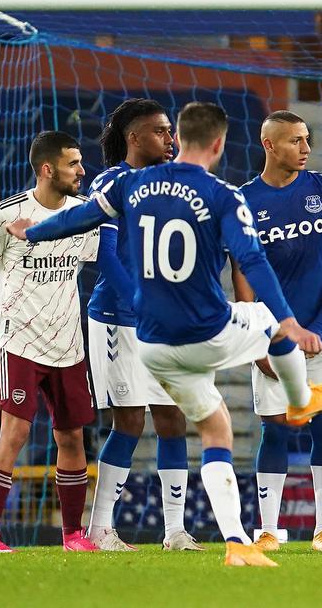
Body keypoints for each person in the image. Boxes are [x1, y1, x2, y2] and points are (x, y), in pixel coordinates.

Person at [10, 102, 322, 567]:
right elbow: (252, 262)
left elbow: (79, 219)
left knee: (214, 428)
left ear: (181, 138)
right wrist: (289, 319)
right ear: (218, 144)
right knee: (268, 322)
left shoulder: (130, 185)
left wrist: (33, 234)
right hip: (200, 330)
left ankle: (234, 541)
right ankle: (300, 398)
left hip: (155, 342)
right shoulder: (224, 195)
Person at [83, 99, 202, 552]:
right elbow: (107, 255)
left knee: (173, 420)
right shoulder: (111, 182)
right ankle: (100, 530)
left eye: (171, 131)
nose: (171, 139)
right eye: (161, 132)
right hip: (119, 319)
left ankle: (175, 532)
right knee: (129, 421)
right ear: (134, 138)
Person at [232, 111, 322, 553]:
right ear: (269, 144)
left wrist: (321, 322)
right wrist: (255, 338)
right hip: (271, 337)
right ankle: (267, 530)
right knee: (275, 430)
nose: (305, 148)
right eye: (295, 141)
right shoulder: (242, 201)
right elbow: (242, 275)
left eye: (307, 139)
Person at [0, 131, 100, 553]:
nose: (81, 170)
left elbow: (102, 258)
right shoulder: (5, 215)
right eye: (74, 163)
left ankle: (73, 535)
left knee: (72, 437)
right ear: (47, 168)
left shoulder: (83, 214)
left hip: (69, 345)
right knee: (15, 433)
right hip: (18, 340)